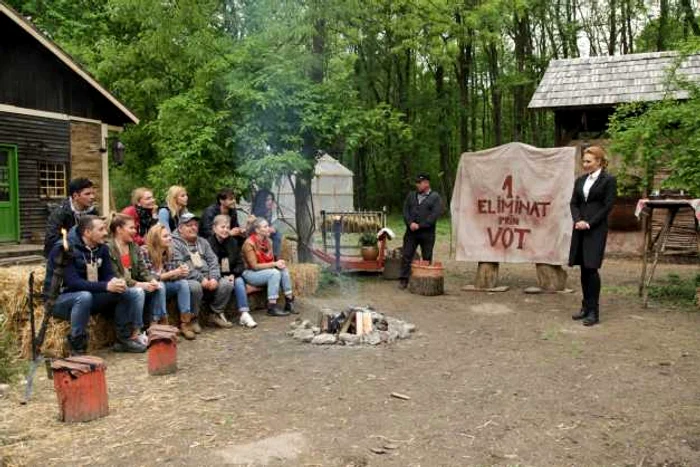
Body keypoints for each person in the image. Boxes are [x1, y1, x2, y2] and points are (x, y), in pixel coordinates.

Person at [45, 215, 146, 355]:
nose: (106, 232)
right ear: (87, 232)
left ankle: (124, 339)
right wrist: (105, 287)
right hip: (60, 299)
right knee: (83, 296)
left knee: (131, 293)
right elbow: (73, 283)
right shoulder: (65, 248)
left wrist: (114, 282)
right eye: (101, 229)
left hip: (91, 296)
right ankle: (77, 346)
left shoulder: (102, 248)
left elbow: (107, 274)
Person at [569, 146, 617, 326]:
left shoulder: (608, 180)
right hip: (579, 228)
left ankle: (593, 312)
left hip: (595, 229)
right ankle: (585, 307)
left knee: (591, 268)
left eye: (588, 161)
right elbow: (574, 203)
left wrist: (589, 223)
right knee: (583, 268)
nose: (585, 164)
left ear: (599, 161)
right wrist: (578, 220)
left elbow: (607, 206)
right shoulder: (581, 180)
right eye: (584, 161)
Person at [171, 213, 234, 329]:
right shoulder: (174, 243)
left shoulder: (203, 242)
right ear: (180, 228)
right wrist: (201, 279)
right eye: (189, 225)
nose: (194, 228)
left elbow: (213, 261)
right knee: (195, 286)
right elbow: (180, 265)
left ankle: (215, 313)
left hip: (208, 276)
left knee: (227, 283)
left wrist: (214, 277)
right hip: (187, 277)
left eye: (195, 225)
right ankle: (193, 318)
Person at [106, 214, 162, 344]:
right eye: (131, 228)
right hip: (119, 286)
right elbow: (116, 275)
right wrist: (139, 284)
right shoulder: (108, 248)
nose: (135, 231)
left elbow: (143, 270)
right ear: (119, 229)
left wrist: (151, 280)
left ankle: (154, 327)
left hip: (136, 283)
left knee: (159, 287)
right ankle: (136, 332)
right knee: (138, 292)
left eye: (135, 228)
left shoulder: (134, 246)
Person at [141, 224, 197, 339]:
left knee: (183, 284)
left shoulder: (168, 251)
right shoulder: (145, 251)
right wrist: (174, 273)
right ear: (156, 239)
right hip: (148, 288)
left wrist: (181, 273)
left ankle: (185, 323)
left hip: (164, 285)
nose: (170, 238)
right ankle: (161, 325)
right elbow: (150, 277)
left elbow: (172, 274)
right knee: (160, 286)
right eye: (165, 236)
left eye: (169, 235)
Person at [208, 215, 257, 328]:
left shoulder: (233, 242)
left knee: (239, 280)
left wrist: (232, 274)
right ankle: (217, 312)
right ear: (214, 228)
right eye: (222, 227)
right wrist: (224, 275)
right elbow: (210, 266)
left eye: (227, 227)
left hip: (232, 275)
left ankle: (244, 313)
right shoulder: (208, 244)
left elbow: (240, 264)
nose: (225, 230)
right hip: (215, 276)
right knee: (231, 282)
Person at [242, 218, 296, 317]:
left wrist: (279, 264)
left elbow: (271, 261)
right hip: (250, 273)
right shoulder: (249, 243)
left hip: (264, 271)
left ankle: (289, 302)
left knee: (283, 270)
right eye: (265, 227)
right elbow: (254, 266)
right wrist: (274, 264)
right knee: (274, 273)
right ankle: (272, 307)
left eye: (268, 226)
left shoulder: (268, 241)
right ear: (257, 230)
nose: (269, 229)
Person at [398, 173, 443, 289]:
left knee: (426, 257)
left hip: (427, 233)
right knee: (407, 255)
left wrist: (420, 225)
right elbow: (405, 211)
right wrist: (410, 223)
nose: (417, 185)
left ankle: (424, 280)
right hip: (411, 232)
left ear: (427, 183)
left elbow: (434, 215)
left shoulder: (435, 197)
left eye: (420, 183)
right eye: (417, 182)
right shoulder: (411, 195)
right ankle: (404, 279)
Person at [44, 178, 99, 258]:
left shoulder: (92, 212)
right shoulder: (60, 213)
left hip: (87, 254)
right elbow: (52, 240)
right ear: (75, 196)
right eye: (87, 194)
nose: (92, 197)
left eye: (93, 193)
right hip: (63, 257)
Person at [252, 189, 282, 259]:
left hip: (266, 231)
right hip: (257, 232)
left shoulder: (271, 210)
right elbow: (257, 227)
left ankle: (275, 257)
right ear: (262, 201)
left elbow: (275, 222)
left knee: (277, 234)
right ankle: (271, 257)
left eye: (271, 199)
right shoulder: (257, 212)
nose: (270, 202)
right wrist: (268, 229)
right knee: (275, 236)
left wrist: (273, 228)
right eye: (267, 200)